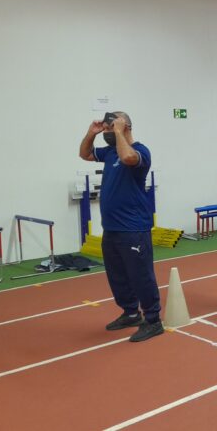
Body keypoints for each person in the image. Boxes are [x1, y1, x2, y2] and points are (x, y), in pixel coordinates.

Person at [79, 111, 164, 342]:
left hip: (134, 227)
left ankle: (153, 320)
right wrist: (92, 133)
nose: (107, 133)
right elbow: (84, 154)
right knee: (117, 275)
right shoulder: (108, 152)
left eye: (111, 128)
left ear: (125, 126)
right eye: (106, 129)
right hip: (112, 227)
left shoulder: (140, 151)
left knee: (140, 275)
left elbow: (128, 158)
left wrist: (118, 131)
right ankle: (130, 312)